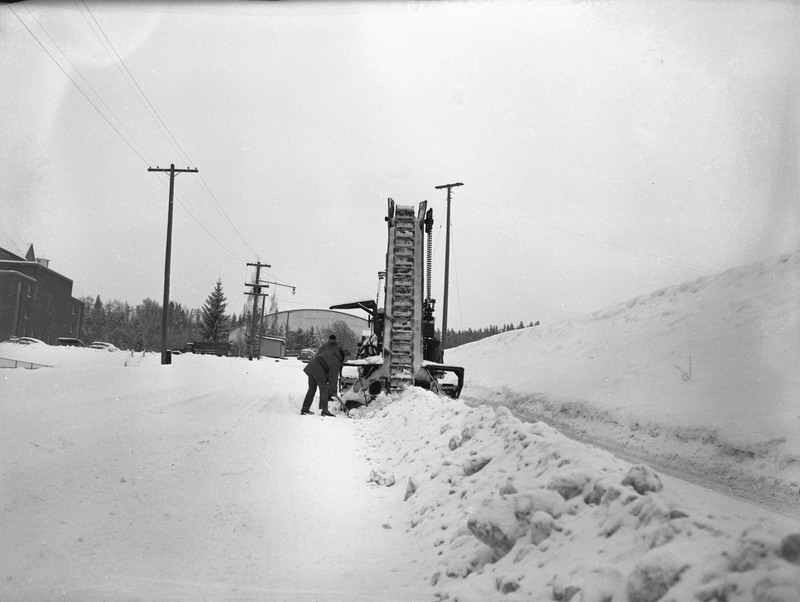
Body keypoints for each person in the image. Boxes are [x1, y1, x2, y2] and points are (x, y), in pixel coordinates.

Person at [300, 334, 345, 417]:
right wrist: (334, 389)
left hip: (312, 366)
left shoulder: (326, 348)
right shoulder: (335, 361)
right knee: (323, 389)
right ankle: (325, 410)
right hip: (318, 369)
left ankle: (305, 408)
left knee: (311, 389)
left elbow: (319, 355)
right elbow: (333, 376)